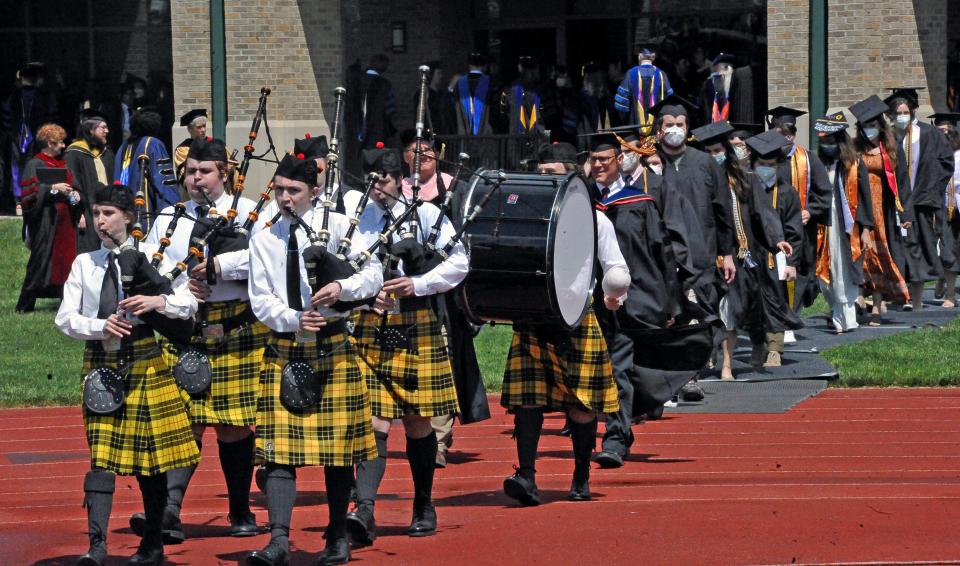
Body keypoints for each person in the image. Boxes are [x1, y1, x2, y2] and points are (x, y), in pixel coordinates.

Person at [246, 151, 381, 565]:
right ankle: (279, 540)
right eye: (280, 190)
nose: (284, 198)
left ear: (315, 192)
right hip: (286, 347)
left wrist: (342, 287)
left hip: (335, 348)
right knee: (276, 452)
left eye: (294, 191)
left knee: (338, 452)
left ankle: (338, 536)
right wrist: (292, 317)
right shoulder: (264, 237)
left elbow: (372, 273)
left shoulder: (340, 226)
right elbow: (260, 299)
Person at [131, 137, 267, 544]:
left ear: (223, 173)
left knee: (233, 427)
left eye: (203, 171)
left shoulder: (250, 213)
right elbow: (152, 267)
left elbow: (269, 261)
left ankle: (240, 511)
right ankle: (170, 511)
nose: (194, 179)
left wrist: (221, 271)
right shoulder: (170, 217)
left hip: (236, 326)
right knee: (183, 422)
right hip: (183, 327)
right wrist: (181, 291)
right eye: (190, 172)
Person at [55, 183, 200, 566]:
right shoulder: (86, 264)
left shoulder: (154, 257)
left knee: (150, 460)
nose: (100, 221)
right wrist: (99, 326)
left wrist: (159, 300)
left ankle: (152, 544)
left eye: (108, 214)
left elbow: (187, 303)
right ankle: (97, 547)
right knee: (100, 457)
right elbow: (65, 318)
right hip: (101, 361)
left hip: (144, 360)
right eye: (97, 213)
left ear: (129, 218)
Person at [347, 146, 467, 545]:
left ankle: (423, 504)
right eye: (368, 181)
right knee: (373, 420)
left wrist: (417, 283)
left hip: (416, 320)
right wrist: (365, 296)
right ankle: (363, 509)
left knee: (417, 421)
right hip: (370, 324)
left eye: (381, 181)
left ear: (399, 178)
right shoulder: (353, 219)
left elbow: (459, 263)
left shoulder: (427, 214)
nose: (375, 189)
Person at [499, 141, 624, 503]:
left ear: (572, 173)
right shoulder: (524, 216)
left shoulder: (594, 218)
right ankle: (526, 476)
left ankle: (581, 477)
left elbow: (614, 263)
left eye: (551, 175)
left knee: (582, 405)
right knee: (528, 402)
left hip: (576, 319)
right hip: (533, 318)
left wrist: (617, 289)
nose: (544, 183)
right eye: (539, 175)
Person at [583, 132, 682, 468]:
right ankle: (606, 429)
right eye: (594, 160)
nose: (598, 165)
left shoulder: (638, 203)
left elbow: (661, 254)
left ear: (619, 162)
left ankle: (614, 438)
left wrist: (670, 302)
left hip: (629, 299)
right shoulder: (580, 203)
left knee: (618, 368)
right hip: (585, 301)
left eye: (605, 160)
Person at [400, 130, 489, 466]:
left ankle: (438, 439)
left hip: (444, 294)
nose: (420, 154)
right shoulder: (396, 192)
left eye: (427, 149)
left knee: (444, 362)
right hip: (403, 295)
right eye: (413, 149)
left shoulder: (455, 190)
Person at [651, 95, 736, 396]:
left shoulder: (705, 163)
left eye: (680, 124)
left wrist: (727, 253)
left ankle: (689, 375)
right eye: (669, 124)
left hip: (700, 252)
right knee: (666, 316)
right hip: (659, 254)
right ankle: (666, 375)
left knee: (697, 312)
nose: (675, 129)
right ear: (659, 130)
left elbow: (722, 210)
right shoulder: (650, 163)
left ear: (688, 128)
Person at [694, 122, 793, 379]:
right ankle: (707, 355)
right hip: (703, 255)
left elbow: (762, 211)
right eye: (708, 151)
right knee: (706, 312)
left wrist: (776, 239)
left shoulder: (744, 179)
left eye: (717, 149)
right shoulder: (695, 181)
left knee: (730, 311)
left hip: (737, 256)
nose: (713, 155)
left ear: (726, 151)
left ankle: (727, 364)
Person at [885, 87, 953, 310]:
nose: (901, 116)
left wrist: (931, 190)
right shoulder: (889, 136)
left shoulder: (929, 133)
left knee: (917, 250)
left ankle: (916, 301)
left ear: (913, 111)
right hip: (895, 203)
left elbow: (946, 163)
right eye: (897, 113)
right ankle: (897, 296)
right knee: (898, 249)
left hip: (922, 203)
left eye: (905, 111)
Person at [744, 130, 804, 367]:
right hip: (750, 256)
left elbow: (794, 230)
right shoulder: (746, 190)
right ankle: (757, 345)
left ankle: (775, 349)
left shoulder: (787, 193)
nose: (766, 169)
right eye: (761, 164)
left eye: (771, 164)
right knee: (751, 303)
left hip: (776, 258)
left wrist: (792, 262)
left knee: (775, 302)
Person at [850, 95, 912, 324]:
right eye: (865, 126)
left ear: (881, 126)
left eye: (873, 125)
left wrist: (906, 214)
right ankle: (858, 298)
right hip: (858, 209)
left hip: (883, 213)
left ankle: (877, 305)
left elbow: (903, 183)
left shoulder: (891, 150)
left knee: (880, 256)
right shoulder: (854, 149)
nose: (869, 130)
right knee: (860, 255)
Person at [812, 111, 876, 332]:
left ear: (839, 141)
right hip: (824, 225)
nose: (827, 145)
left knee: (844, 271)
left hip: (847, 228)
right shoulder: (817, 163)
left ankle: (846, 319)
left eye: (831, 140)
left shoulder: (854, 164)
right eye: (824, 141)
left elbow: (865, 199)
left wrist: (866, 229)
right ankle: (836, 311)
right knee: (825, 274)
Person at [767, 106, 833, 320]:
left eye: (789, 134)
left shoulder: (809, 159)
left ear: (794, 134)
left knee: (801, 271)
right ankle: (780, 316)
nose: (785, 139)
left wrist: (810, 211)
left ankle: (791, 314)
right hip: (772, 228)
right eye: (780, 134)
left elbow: (824, 192)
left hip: (802, 229)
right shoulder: (766, 159)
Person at [16, 123, 81, 312]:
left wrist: (75, 195)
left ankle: (65, 303)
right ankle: (24, 305)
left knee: (66, 263)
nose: (63, 146)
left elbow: (75, 186)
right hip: (45, 224)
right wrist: (53, 189)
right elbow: (28, 196)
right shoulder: (34, 164)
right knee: (39, 263)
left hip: (66, 224)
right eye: (60, 142)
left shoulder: (63, 164)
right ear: (50, 143)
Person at [2, 62, 58, 214]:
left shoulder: (12, 97)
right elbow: (51, 117)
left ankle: (18, 201)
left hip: (17, 137)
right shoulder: (44, 97)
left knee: (16, 167)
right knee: (36, 165)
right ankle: (35, 198)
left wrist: (12, 135)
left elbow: (6, 119)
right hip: (37, 139)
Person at [114, 107, 179, 235]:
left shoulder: (123, 146)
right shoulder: (153, 144)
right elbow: (163, 184)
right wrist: (174, 209)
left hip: (124, 212)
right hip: (146, 216)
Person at [66, 109, 115, 253]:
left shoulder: (108, 153)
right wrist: (77, 213)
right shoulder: (74, 153)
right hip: (86, 212)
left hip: (107, 210)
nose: (107, 131)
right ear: (91, 130)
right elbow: (71, 186)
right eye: (103, 128)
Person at [931, 114, 960, 307]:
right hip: (944, 209)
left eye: (948, 130)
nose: (946, 133)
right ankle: (950, 295)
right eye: (941, 131)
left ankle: (944, 280)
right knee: (948, 251)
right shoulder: (933, 155)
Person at [615, 43, 674, 131]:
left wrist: (626, 120)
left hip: (635, 128)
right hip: (657, 127)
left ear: (639, 56)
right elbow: (670, 101)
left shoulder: (630, 74)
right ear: (653, 57)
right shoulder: (662, 75)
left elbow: (622, 104)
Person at [448, 53, 497, 136]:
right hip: (485, 134)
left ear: (469, 65)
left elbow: (454, 107)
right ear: (484, 66)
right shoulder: (489, 82)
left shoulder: (460, 83)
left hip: (463, 134)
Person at [699, 53, 754, 124]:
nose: (729, 71)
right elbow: (707, 108)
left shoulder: (735, 84)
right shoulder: (710, 83)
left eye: (731, 68)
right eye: (725, 67)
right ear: (716, 68)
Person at [500, 56, 546, 137]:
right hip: (535, 138)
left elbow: (503, 113)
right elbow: (546, 115)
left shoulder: (509, 89)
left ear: (520, 68)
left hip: (515, 136)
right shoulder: (541, 91)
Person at [172, 108, 207, 182]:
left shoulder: (215, 144)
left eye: (204, 126)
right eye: (199, 127)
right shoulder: (183, 149)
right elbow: (187, 173)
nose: (203, 130)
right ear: (190, 129)